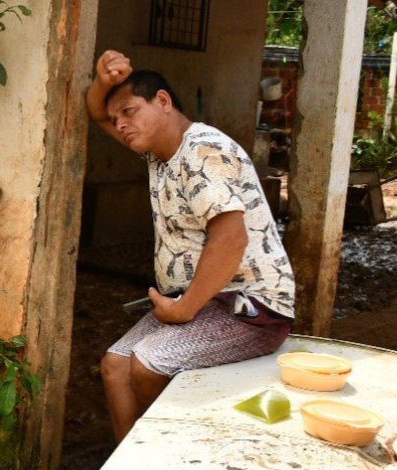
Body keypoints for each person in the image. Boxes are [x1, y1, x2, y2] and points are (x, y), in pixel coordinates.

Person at [86, 50, 296, 442]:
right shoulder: (158, 151)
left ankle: (173, 459)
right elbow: (98, 112)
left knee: (149, 365)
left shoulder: (201, 150)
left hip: (249, 306)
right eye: (118, 120)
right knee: (116, 365)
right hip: (202, 301)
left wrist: (184, 309)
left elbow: (230, 237)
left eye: (129, 111)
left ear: (163, 102)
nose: (121, 124)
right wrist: (102, 82)